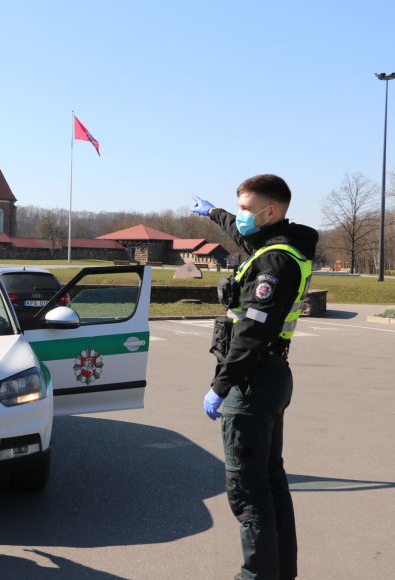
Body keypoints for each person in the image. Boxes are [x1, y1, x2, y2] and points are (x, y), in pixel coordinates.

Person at [191, 174, 317, 580]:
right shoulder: (279, 246)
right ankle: (279, 573)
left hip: (252, 380)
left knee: (247, 491)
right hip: (269, 375)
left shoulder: (274, 261)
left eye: (247, 209)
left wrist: (220, 385)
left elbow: (251, 332)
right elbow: (242, 236)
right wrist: (215, 213)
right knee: (269, 482)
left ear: (271, 211)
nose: (242, 216)